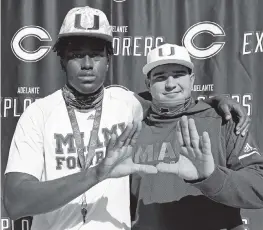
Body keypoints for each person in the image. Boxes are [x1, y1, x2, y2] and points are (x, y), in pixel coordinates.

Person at [3, 6, 250, 230]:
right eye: (77, 54)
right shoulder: (38, 114)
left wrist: (214, 103)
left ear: (109, 60)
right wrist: (95, 174)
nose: (87, 64)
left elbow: (172, 98)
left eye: (97, 55)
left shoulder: (127, 103)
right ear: (62, 61)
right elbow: (15, 203)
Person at [130, 43, 263, 230]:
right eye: (160, 77)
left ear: (192, 80)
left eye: (178, 75)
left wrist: (211, 176)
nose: (170, 84)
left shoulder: (223, 120)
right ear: (148, 84)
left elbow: (259, 187)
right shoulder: (130, 126)